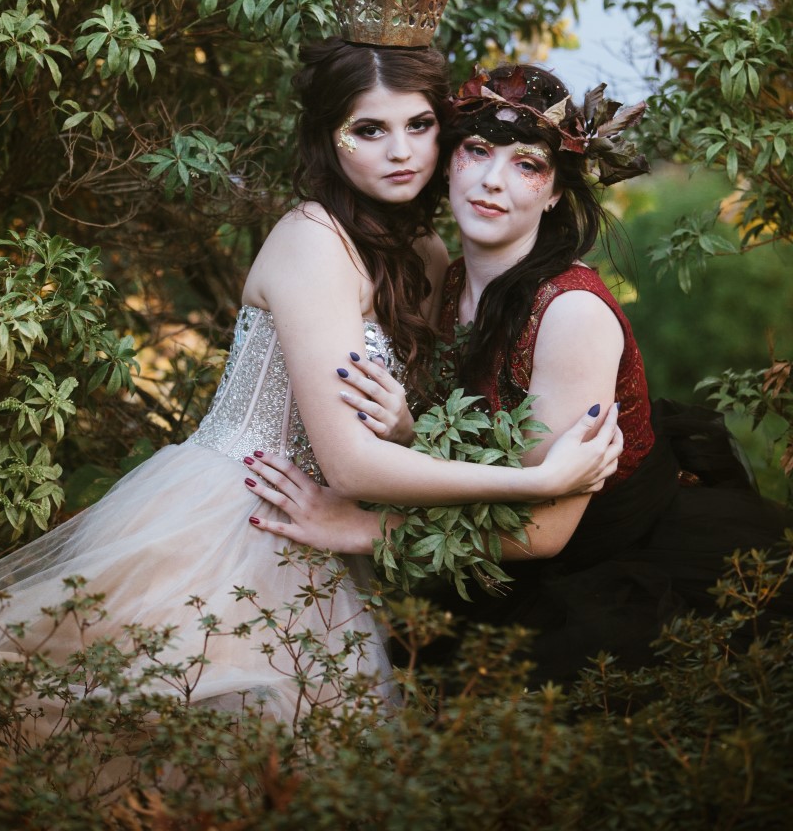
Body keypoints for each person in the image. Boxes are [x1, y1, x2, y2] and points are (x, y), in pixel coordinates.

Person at [0, 0, 621, 728]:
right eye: (369, 130)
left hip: (320, 532)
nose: (401, 152)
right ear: (330, 138)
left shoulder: (428, 257)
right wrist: (537, 482)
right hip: (232, 518)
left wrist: (408, 430)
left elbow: (390, 440)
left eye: (420, 126)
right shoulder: (313, 240)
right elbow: (350, 462)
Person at [243, 62, 793, 685]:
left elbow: (544, 531)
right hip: (506, 576)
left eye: (527, 164)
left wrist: (363, 527)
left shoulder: (570, 314)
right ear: (448, 162)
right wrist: (409, 431)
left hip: (615, 573)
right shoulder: (445, 281)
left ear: (555, 192)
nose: (492, 181)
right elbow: (475, 449)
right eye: (477, 151)